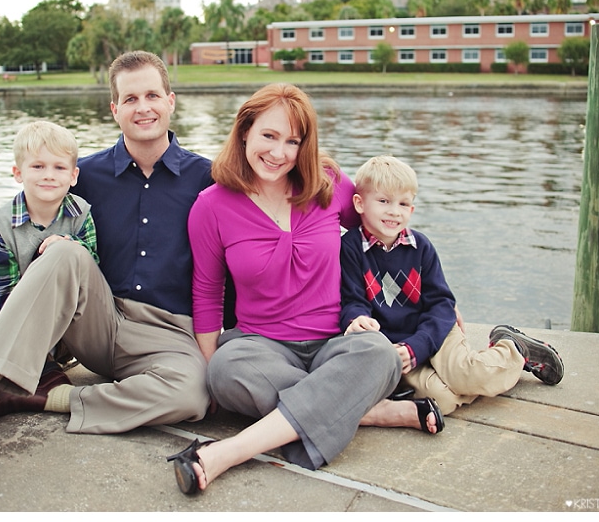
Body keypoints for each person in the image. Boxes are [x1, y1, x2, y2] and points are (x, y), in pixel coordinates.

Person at [0, 50, 213, 485]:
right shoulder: (80, 174)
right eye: (131, 98)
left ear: (171, 101)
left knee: (192, 394)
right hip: (98, 320)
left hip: (169, 333)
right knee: (63, 249)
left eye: (153, 95)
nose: (144, 107)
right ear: (114, 109)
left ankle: (41, 398)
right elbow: (17, 234)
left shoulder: (209, 178)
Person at [168, 83, 442, 496]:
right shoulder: (211, 205)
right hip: (260, 345)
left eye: (292, 141)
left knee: (378, 351)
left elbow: (383, 229)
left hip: (336, 340)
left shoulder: (327, 183)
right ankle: (369, 409)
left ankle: (227, 453)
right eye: (269, 136)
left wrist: (429, 294)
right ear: (245, 131)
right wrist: (210, 378)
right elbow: (207, 294)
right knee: (225, 370)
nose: (279, 153)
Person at [339, 155, 564, 418]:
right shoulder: (350, 248)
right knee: (441, 401)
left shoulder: (420, 248)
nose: (393, 211)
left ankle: (513, 351)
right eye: (383, 201)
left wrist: (418, 346)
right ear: (359, 203)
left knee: (470, 374)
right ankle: (473, 378)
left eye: (403, 203)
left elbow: (441, 305)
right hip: (396, 350)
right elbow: (352, 300)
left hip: (434, 332)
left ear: (411, 210)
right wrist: (357, 319)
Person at [0, 120, 97, 402]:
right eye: (37, 166)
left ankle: (39, 370)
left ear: (73, 175)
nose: (49, 175)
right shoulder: (1, 223)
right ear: (18, 173)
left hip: (57, 324)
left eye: (59, 167)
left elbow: (92, 264)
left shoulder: (81, 214)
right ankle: (27, 382)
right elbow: (2, 298)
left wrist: (70, 244)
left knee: (72, 254)